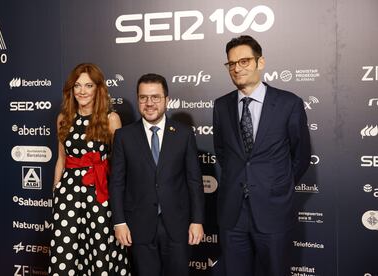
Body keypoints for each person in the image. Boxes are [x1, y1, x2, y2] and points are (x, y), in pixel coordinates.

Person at [213, 35, 311, 276]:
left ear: (261, 62)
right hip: (232, 213)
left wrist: (276, 184)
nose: (237, 68)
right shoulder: (221, 105)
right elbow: (222, 153)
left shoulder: (289, 103)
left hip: (273, 210)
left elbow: (301, 156)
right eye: (231, 63)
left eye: (244, 61)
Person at [109, 73, 205, 276]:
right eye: (143, 97)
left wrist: (197, 221)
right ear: (138, 99)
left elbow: (194, 181)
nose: (149, 103)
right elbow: (117, 183)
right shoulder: (124, 136)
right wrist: (119, 222)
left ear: (166, 100)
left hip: (178, 225)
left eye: (155, 97)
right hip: (139, 226)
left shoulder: (183, 134)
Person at [49, 63, 131, 276]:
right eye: (77, 86)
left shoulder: (111, 119)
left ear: (98, 89)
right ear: (71, 89)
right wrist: (56, 192)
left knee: (100, 245)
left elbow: (119, 164)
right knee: (66, 248)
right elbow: (61, 159)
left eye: (88, 85)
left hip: (99, 192)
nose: (82, 91)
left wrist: (117, 199)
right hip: (68, 193)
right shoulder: (63, 119)